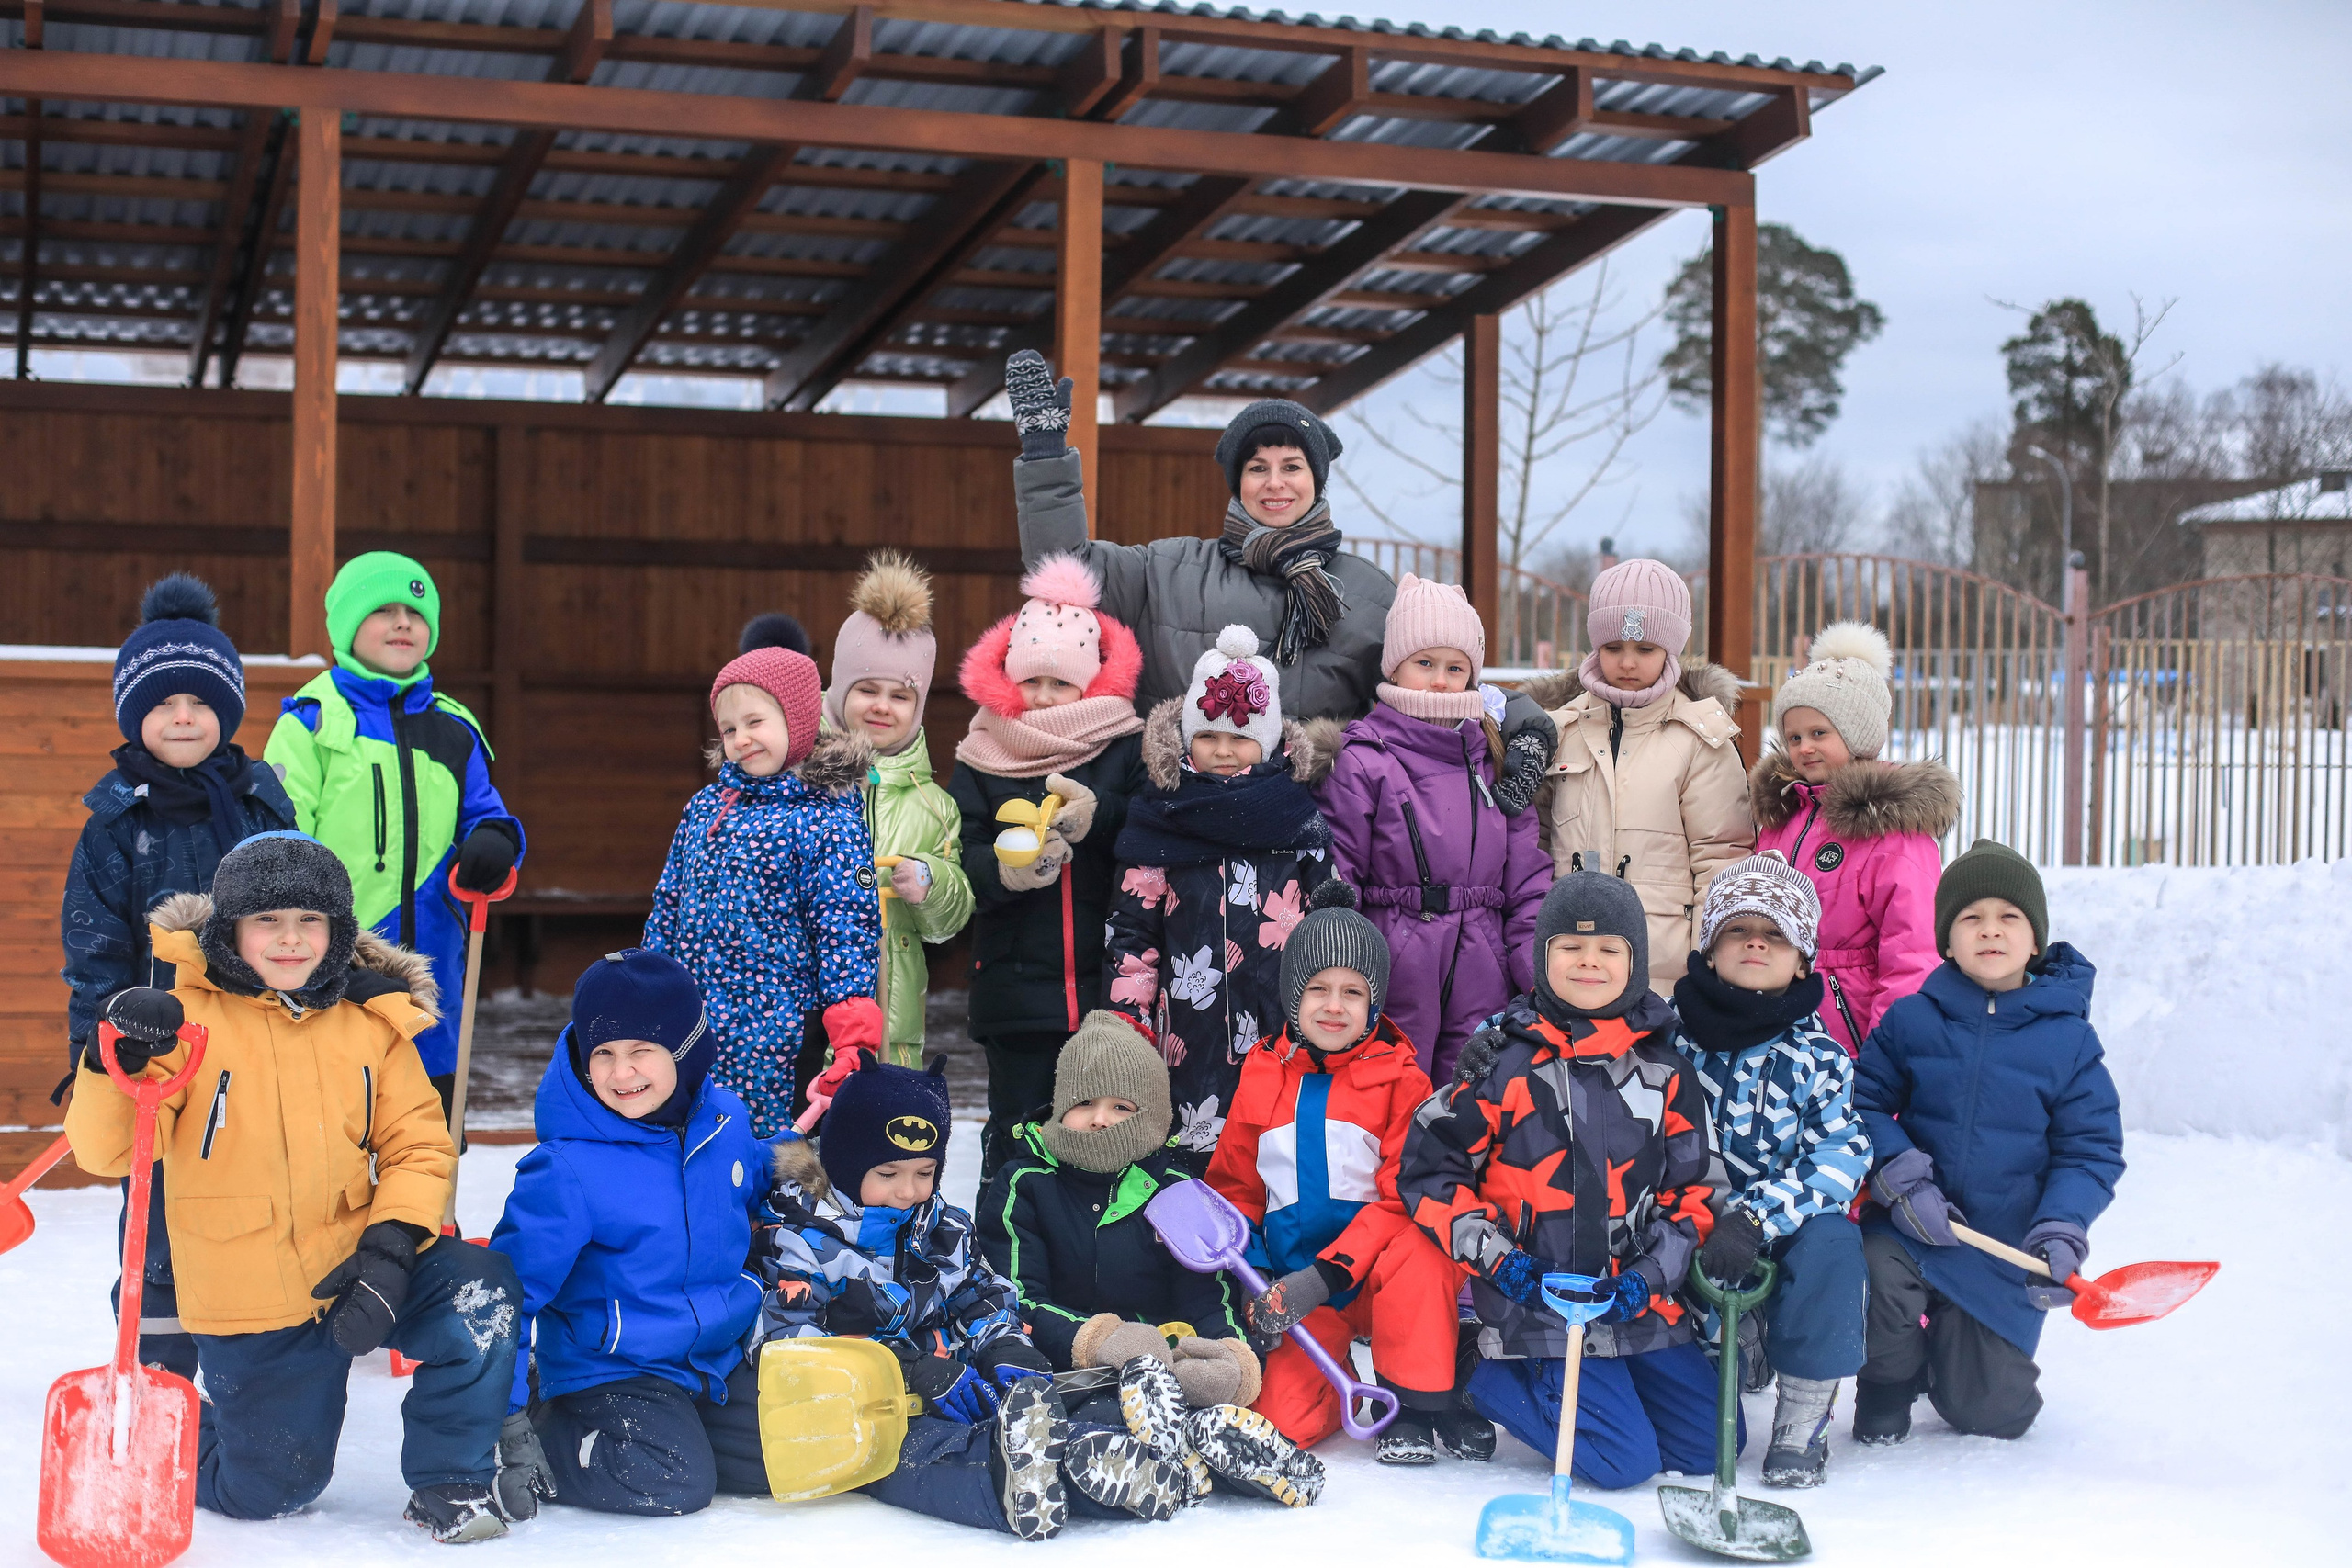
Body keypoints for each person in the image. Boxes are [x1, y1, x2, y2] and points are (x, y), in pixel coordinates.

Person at [61, 832, 521, 1542]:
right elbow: (106, 1148)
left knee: (478, 1291)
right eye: (267, 920)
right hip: (252, 1289)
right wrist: (111, 1054)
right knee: (275, 1489)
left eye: (311, 920)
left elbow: (419, 1145)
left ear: (337, 932)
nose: (290, 939)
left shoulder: (371, 1025)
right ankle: (190, 1413)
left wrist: (393, 1244)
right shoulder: (186, 1024)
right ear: (230, 929)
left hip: (355, 1259)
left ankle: (450, 1478)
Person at [999, 349, 1555, 810]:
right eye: (1257, 467)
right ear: (1237, 482)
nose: (1275, 483)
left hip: (1308, 847)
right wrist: (1047, 459)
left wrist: (1525, 724)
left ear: (1316, 480)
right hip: (1172, 832)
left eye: (1292, 466)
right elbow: (1060, 566)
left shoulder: (1367, 595)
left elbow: (1443, 678)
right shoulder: (1165, 570)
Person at [752, 1054, 1261, 1539]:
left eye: (924, 1173)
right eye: (888, 1175)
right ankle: (1016, 1482)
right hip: (870, 1409)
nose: (908, 1191)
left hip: (959, 1385)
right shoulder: (799, 1238)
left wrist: (1004, 1344)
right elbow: (786, 1341)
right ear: (844, 1164)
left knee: (1054, 1406)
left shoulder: (941, 1227)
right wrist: (908, 1370)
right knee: (926, 1452)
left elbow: (981, 1293)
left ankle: (1177, 1445)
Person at [1399, 871, 1720, 1491]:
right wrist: (1501, 1262)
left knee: (1710, 1446)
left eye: (1609, 949)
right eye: (1571, 947)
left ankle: (1618, 1389)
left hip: (1636, 1303)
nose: (1589, 962)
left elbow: (1696, 1193)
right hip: (1539, 1304)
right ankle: (1482, 1373)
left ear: (1636, 960)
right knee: (1622, 1463)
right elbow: (1429, 1169)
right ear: (1544, 957)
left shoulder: (1666, 1070)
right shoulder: (1503, 1063)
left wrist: (1649, 1278)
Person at [63, 573, 297, 1381]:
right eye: (164, 704)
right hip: (160, 1061)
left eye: (200, 701)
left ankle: (255, 1357)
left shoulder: (264, 808)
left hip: (257, 1058)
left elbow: (304, 925)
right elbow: (93, 951)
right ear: (137, 716)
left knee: (254, 1206)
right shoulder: (114, 827)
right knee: (159, 1218)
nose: (184, 717)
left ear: (227, 712)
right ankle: (157, 1366)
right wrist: (107, 1051)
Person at [1207, 881, 1492, 1466]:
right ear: (1292, 995)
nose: (1334, 1006)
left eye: (1352, 993)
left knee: (1423, 1249)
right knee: (1283, 1424)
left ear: (1375, 1003)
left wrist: (1327, 1274)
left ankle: (1418, 1398)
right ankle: (1330, 1370)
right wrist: (1253, 1277)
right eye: (1318, 989)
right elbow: (1234, 1187)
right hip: (1298, 1289)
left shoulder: (1400, 1079)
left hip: (1374, 1274)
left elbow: (1402, 1195)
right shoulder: (1260, 1076)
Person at [1851, 840, 2124, 1444]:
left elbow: (2091, 1149)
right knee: (1871, 1270)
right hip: (1913, 1228)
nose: (1990, 930)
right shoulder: (1912, 1020)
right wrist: (1899, 1172)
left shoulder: (2069, 1041)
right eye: (1971, 917)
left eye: (2010, 917)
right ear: (1947, 940)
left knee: (1994, 1413)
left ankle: (1953, 1352)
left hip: (2004, 1250)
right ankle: (1890, 1377)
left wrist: (2059, 1226)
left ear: (2036, 939)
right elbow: (1862, 1100)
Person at [486, 950, 772, 1519]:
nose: (621, 1073)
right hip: (614, 1367)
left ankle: (679, 1435)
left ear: (686, 1049)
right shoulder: (568, 1169)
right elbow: (506, 1295)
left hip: (713, 1356)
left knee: (786, 1458)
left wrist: (816, 1153)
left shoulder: (724, 1122)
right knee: (673, 1482)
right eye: (604, 1054)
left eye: (642, 1051)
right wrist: (506, 1420)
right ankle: (555, 1430)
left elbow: (755, 1175)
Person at [265, 551, 525, 1116]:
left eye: (416, 610)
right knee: (340, 1109)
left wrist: (495, 840)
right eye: (383, 610)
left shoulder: (454, 728)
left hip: (435, 956)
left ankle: (427, 1207)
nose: (403, 621)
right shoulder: (312, 721)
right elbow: (277, 833)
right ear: (346, 628)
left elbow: (484, 809)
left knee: (431, 1115)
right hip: (336, 955)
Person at [1668, 852, 1872, 1488]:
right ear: (1708, 950)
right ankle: (1715, 1374)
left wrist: (1757, 1217)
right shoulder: (1666, 1042)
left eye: (1776, 933)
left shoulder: (1819, 1057)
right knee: (1701, 1436)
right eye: (1737, 929)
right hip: (1687, 1234)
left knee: (1836, 1241)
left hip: (1778, 1237)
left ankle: (1803, 1417)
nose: (1756, 940)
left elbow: (1845, 1152)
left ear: (1803, 959)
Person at [947, 554, 1147, 1177]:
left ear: (1089, 686)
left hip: (1103, 985)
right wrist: (1003, 874)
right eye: (1031, 681)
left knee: (1098, 1136)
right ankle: (1003, 1258)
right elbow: (961, 851)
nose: (1043, 696)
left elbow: (1151, 830)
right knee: (1016, 1135)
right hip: (1014, 990)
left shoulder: (1121, 747)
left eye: (1060, 684)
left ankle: (1091, 1261)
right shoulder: (985, 751)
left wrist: (1101, 816)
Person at [1309, 574, 1551, 1081]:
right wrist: (1340, 970)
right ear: (1394, 666)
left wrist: (1539, 981)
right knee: (1387, 1086)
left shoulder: (1491, 758)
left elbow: (1527, 882)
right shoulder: (1365, 757)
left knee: (1473, 1095)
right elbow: (1341, 872)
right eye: (1425, 663)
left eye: (1455, 667)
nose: (1440, 681)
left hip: (1482, 962)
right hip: (1393, 957)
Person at [1102, 624, 1331, 1159]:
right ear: (1188, 739)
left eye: (1239, 737)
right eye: (1208, 737)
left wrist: (1326, 1010)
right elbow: (1132, 936)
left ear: (1268, 740)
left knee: (1279, 1152)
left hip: (1283, 1027)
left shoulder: (1297, 823)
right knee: (1191, 1157)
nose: (1222, 751)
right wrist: (1129, 1026)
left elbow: (1329, 926)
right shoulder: (1161, 820)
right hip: (1187, 1030)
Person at [643, 627, 883, 1138]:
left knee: (760, 1143)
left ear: (796, 721)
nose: (741, 738)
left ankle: (769, 1217)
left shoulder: (826, 817)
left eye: (755, 722)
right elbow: (668, 901)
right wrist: (647, 979)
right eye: (728, 729)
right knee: (686, 1131)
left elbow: (846, 925)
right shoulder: (707, 807)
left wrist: (851, 1032)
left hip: (773, 1025)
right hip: (691, 1017)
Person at [976, 1010, 1255, 1406]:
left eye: (1122, 1107)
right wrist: (1100, 1340)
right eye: (1084, 1102)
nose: (1100, 1119)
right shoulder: (1025, 1184)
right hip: (1057, 1373)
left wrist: (1228, 1354)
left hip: (1164, 1373)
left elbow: (1207, 1296)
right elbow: (1015, 1296)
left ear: (1153, 1117)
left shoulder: (1176, 1193)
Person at [1525, 558, 1753, 997]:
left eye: (1645, 650)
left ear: (1671, 650)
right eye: (1613, 648)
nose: (1627, 663)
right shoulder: (1558, 730)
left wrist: (1710, 963)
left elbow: (1720, 858)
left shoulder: (1701, 739)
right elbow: (1533, 844)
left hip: (1663, 969)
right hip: (1572, 962)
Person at [1751, 621, 1960, 1055]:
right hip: (1773, 1022)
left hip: (1851, 1031)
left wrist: (1887, 1056)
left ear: (1858, 733)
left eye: (1819, 733)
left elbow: (1912, 954)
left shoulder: (1891, 828)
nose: (1804, 747)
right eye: (1794, 737)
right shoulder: (1782, 815)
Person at [823, 552, 974, 1067]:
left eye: (900, 696)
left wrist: (931, 881)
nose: (882, 706)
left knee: (878, 1137)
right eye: (866, 690)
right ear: (842, 689)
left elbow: (949, 921)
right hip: (802, 1000)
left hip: (893, 1013)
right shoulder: (798, 776)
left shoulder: (933, 804)